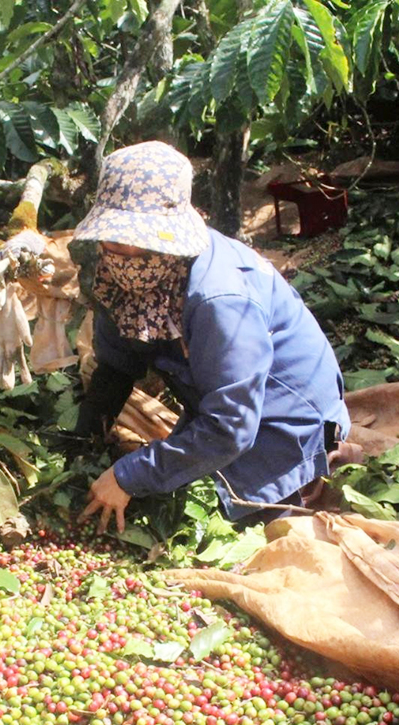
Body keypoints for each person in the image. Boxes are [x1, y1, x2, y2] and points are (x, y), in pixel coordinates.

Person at [69, 141, 352, 534]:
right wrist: (82, 438)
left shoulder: (220, 300)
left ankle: (300, 482)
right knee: (170, 494)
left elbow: (232, 425)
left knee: (257, 523)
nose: (125, 253)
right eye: (115, 240)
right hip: (212, 396)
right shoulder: (117, 274)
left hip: (282, 408)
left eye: (138, 241)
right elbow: (117, 364)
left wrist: (128, 476)